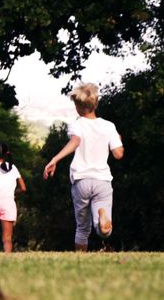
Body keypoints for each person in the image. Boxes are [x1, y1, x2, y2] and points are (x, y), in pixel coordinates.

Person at [43, 83, 124, 251]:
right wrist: (119, 141)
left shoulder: (77, 125)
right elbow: (118, 154)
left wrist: (55, 159)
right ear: (95, 104)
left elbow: (75, 141)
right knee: (104, 231)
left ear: (78, 107)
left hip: (82, 180)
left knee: (82, 227)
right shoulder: (109, 126)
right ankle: (102, 216)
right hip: (102, 180)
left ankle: (80, 259)